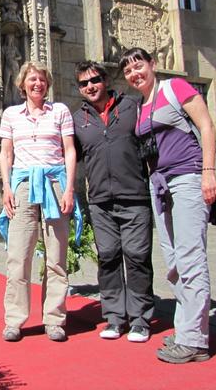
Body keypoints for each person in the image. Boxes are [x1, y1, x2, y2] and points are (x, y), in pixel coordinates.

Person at [120, 47, 216, 364]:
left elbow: (206, 126)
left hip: (187, 178)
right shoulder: (140, 106)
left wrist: (208, 173)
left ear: (152, 64)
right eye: (129, 71)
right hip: (159, 185)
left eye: (139, 66)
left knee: (191, 257)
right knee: (174, 261)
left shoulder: (175, 88)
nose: (136, 73)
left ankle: (195, 341)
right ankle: (187, 329)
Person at [0, 61, 81, 343]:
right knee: (18, 257)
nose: (37, 84)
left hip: (55, 184)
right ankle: (15, 320)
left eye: (42, 79)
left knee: (56, 257)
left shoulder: (60, 111)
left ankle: (54, 319)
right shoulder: (11, 114)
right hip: (22, 186)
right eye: (32, 79)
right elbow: (6, 154)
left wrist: (70, 189)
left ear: (48, 84)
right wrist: (6, 187)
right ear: (22, 84)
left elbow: (69, 151)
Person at [72, 61, 154, 343]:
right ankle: (115, 318)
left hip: (134, 197)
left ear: (105, 80)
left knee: (137, 256)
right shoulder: (77, 120)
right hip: (100, 201)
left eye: (94, 80)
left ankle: (141, 319)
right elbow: (69, 156)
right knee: (107, 257)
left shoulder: (132, 106)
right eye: (83, 84)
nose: (90, 87)